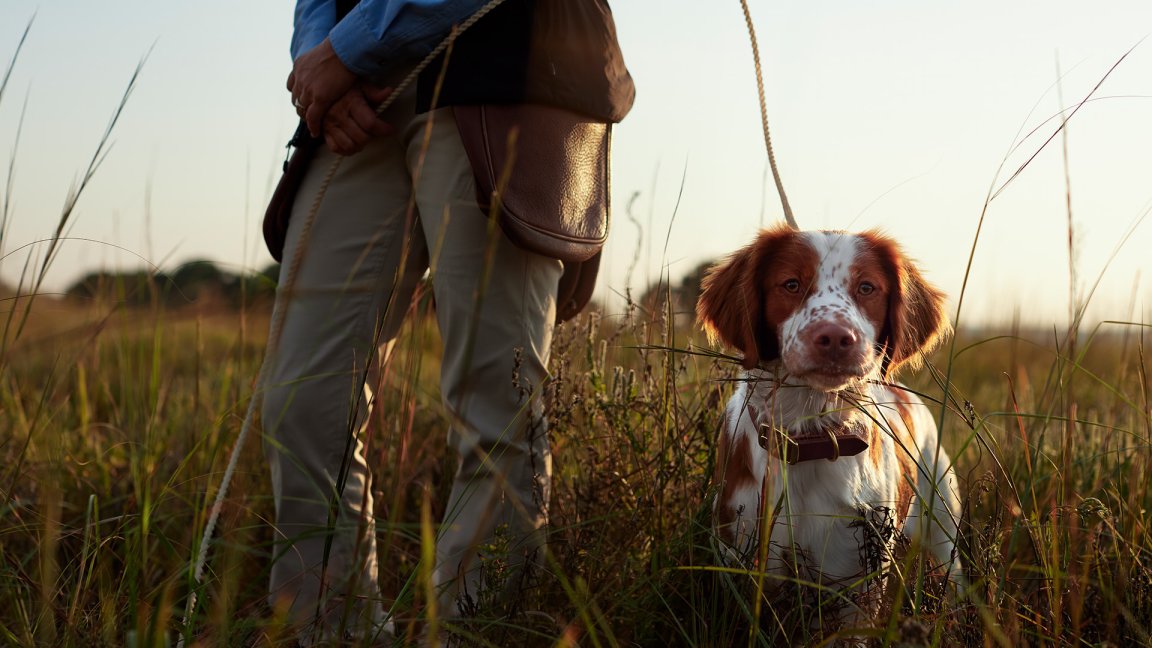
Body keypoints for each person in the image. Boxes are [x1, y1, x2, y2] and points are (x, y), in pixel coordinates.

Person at [263, 0, 634, 642]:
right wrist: (317, 61)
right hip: (356, 105)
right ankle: (333, 632)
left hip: (503, 64)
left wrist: (345, 49)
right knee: (301, 402)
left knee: (498, 404)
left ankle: (478, 633)